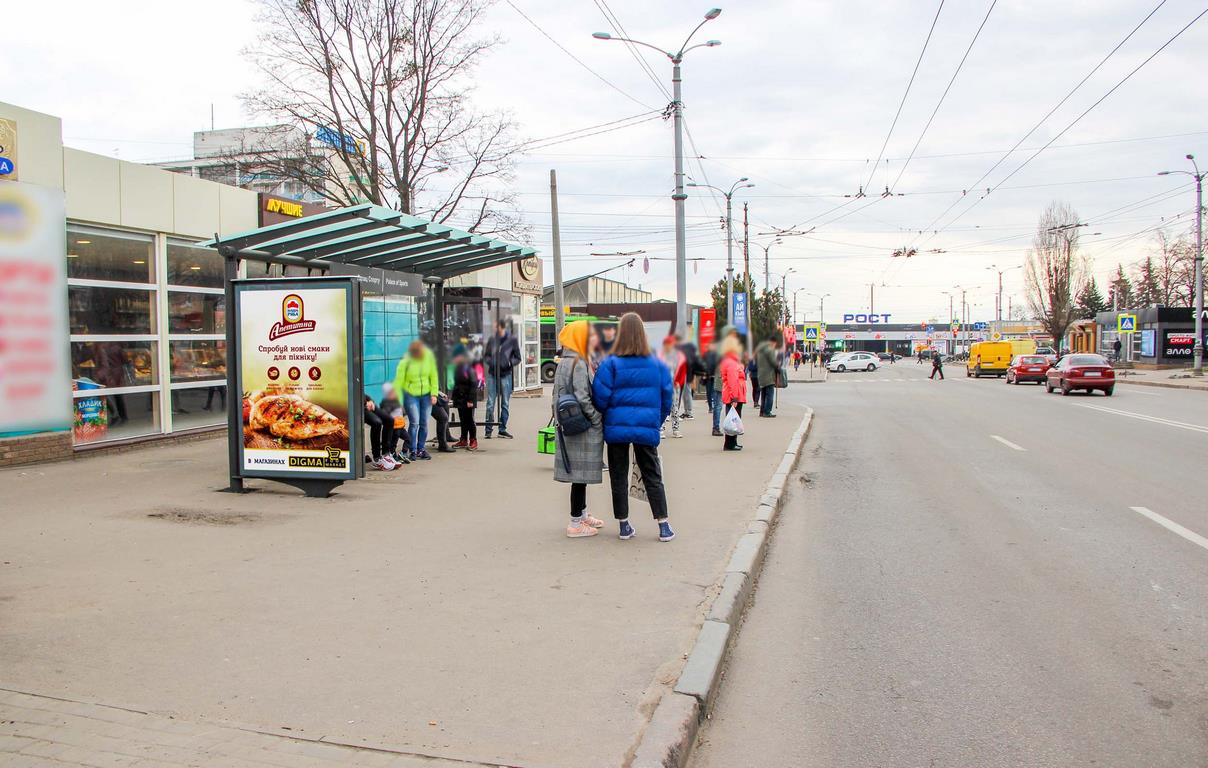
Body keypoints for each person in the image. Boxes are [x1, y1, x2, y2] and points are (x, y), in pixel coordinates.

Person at [592, 312, 675, 542]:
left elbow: (599, 398)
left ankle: (624, 525)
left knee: (618, 475)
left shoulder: (610, 364)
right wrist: (655, 422)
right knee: (652, 474)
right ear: (642, 334)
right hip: (646, 427)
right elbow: (667, 398)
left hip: (616, 429)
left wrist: (610, 415)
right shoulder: (658, 364)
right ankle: (663, 525)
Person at [553, 321, 606, 538]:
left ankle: (582, 513)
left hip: (570, 423)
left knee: (580, 474)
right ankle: (575, 523)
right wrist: (596, 418)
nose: (593, 339)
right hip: (581, 424)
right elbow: (583, 397)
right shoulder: (579, 362)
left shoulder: (565, 360)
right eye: (589, 335)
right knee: (579, 475)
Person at [394, 339, 439, 460]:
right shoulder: (406, 360)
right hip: (410, 395)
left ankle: (421, 449)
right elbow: (399, 380)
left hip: (426, 395)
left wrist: (434, 394)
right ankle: (412, 449)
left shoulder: (428, 357)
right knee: (414, 423)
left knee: (424, 423)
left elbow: (433, 376)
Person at [483, 319, 521, 439]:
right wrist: (492, 362)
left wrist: (508, 363)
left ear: (501, 327)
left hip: (506, 374)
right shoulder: (492, 340)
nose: (494, 329)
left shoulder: (512, 340)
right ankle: (488, 429)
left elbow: (518, 357)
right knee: (490, 403)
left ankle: (502, 429)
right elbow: (486, 356)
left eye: (495, 327)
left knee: (505, 403)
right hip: (493, 374)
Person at [719, 335, 747, 451]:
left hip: (732, 393)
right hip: (734, 394)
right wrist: (734, 398)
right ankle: (729, 444)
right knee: (733, 419)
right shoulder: (731, 362)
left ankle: (732, 442)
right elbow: (733, 380)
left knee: (733, 418)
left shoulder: (729, 360)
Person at [450, 344, 478, 451]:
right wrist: (453, 398)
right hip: (460, 398)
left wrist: (470, 400)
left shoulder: (468, 368)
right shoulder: (458, 368)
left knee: (469, 420)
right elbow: (457, 384)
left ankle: (473, 440)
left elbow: (473, 384)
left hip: (468, 399)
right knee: (463, 420)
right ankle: (463, 439)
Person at [657, 335, 685, 438]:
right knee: (663, 406)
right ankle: (661, 428)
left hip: (674, 385)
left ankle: (676, 429)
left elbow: (682, 370)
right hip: (663, 385)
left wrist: (678, 381)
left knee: (675, 407)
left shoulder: (678, 356)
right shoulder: (660, 356)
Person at [364, 393, 398, 470]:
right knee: (377, 423)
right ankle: (377, 459)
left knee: (389, 420)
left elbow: (361, 392)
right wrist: (365, 403)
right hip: (357, 406)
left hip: (366, 403)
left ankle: (386, 455)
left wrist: (370, 401)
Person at [378, 384, 410, 464]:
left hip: (401, 426)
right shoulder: (386, 402)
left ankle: (403, 453)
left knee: (408, 439)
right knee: (393, 443)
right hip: (394, 427)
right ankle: (392, 456)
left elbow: (403, 412)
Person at [677, 335, 702, 420]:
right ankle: (688, 412)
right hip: (687, 374)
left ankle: (687, 412)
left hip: (684, 374)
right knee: (686, 392)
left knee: (684, 392)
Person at [701, 340, 723, 437]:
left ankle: (711, 407)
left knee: (710, 393)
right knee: (717, 401)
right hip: (715, 377)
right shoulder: (715, 355)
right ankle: (716, 427)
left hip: (711, 376)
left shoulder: (710, 354)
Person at [756, 334, 781, 417]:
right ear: (773, 342)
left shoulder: (760, 350)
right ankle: (767, 412)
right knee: (770, 395)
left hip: (761, 375)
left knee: (763, 395)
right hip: (769, 376)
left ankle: (762, 411)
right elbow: (773, 362)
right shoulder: (770, 350)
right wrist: (777, 368)